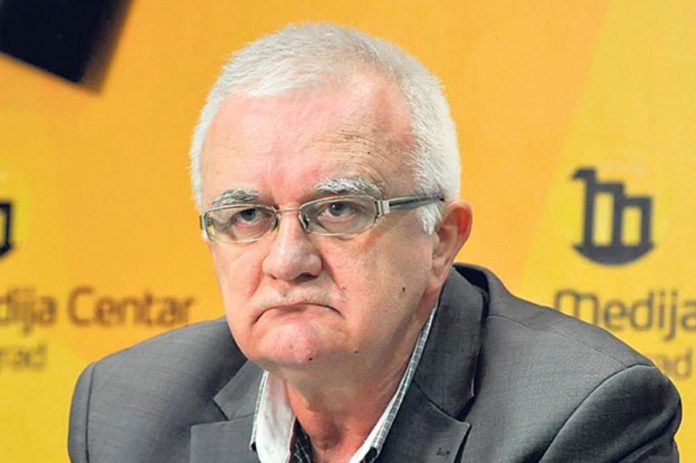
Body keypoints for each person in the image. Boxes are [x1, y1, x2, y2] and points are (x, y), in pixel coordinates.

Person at [68, 23, 681, 462]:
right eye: (249, 216)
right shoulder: (124, 413)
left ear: (441, 240)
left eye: (338, 210)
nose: (287, 260)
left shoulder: (581, 416)